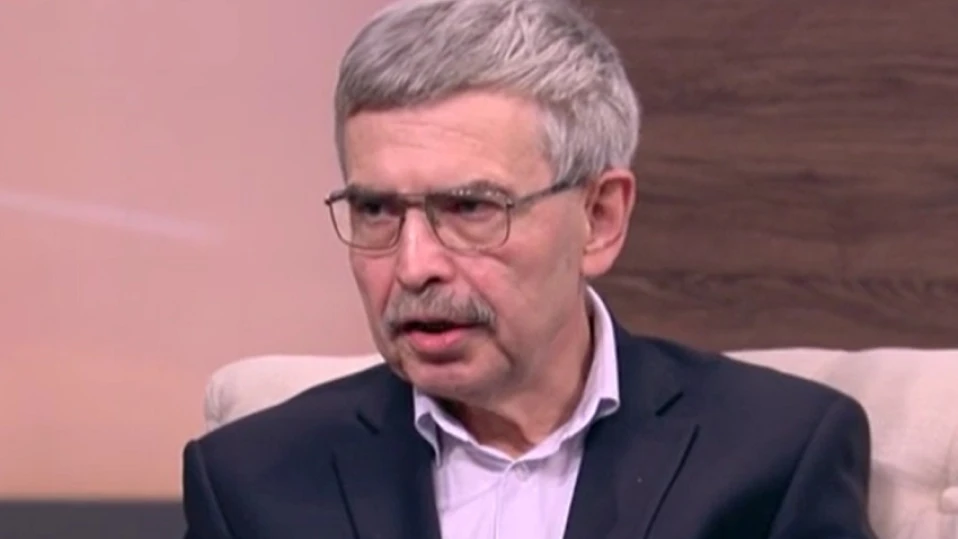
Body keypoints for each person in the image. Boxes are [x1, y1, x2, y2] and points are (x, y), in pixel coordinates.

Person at [181, 0, 877, 537]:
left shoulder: (778, 452)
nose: (414, 265)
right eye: (375, 210)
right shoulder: (250, 479)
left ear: (600, 217)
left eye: (470, 207)